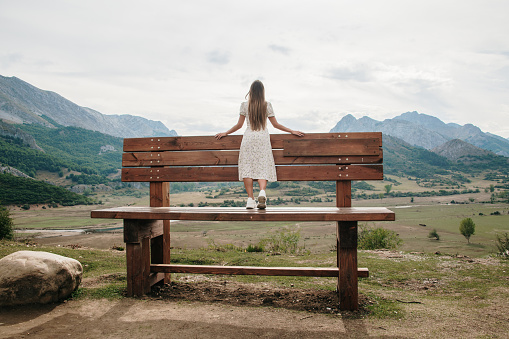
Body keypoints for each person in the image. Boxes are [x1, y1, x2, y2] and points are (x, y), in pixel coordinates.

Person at [215, 80, 304, 209]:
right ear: (262, 92)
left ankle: (250, 200)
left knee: (247, 168)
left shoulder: (244, 105)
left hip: (249, 138)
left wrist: (226, 133)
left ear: (251, 91)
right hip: (262, 138)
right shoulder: (267, 105)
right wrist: (291, 131)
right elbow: (276, 125)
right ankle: (262, 191)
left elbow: (239, 125)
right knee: (262, 167)